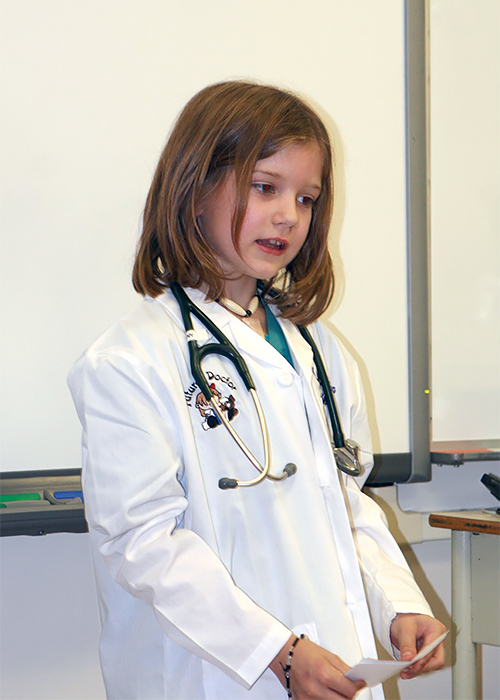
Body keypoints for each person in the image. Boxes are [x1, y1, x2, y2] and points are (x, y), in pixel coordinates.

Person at [68, 81, 446, 700]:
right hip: (211, 679)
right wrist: (277, 652)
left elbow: (343, 502)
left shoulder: (319, 352)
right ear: (195, 188)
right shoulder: (130, 360)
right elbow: (142, 544)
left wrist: (397, 605)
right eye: (264, 187)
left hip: (333, 667)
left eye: (306, 197)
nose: (288, 216)